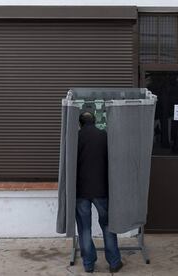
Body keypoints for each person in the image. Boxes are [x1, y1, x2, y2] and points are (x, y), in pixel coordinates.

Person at [76, 111, 123, 273]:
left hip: (81, 190)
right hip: (101, 189)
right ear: (95, 121)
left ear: (80, 123)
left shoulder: (76, 137)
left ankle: (89, 264)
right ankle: (114, 262)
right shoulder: (104, 136)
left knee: (84, 228)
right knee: (108, 225)